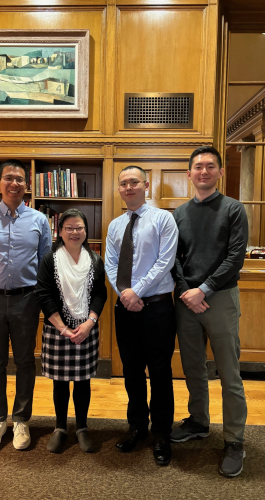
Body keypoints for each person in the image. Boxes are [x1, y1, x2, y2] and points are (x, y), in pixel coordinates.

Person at [171, 145, 248, 478]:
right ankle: (199, 422)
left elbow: (235, 258)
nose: (204, 171)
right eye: (198, 167)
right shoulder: (178, 214)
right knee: (193, 369)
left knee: (229, 375)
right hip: (187, 301)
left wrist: (204, 289)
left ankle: (234, 440)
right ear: (188, 174)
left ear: (219, 172)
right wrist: (188, 291)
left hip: (220, 298)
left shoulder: (234, 210)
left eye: (210, 166)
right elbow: (172, 259)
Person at [0, 159, 52, 452]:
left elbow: (45, 260)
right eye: (9, 178)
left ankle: (21, 419)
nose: (14, 183)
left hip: (27, 300)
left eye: (19, 179)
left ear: (26, 185)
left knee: (25, 361)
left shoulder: (39, 220)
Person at [105, 166, 178, 466]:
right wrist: (124, 293)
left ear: (146, 185)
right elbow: (110, 264)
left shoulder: (163, 219)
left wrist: (138, 291)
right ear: (119, 189)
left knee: (160, 372)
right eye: (123, 183)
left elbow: (166, 260)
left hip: (158, 307)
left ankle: (162, 433)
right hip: (125, 309)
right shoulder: (114, 225)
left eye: (134, 182)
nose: (129, 187)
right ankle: (137, 426)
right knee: (132, 371)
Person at [36, 208, 107, 453]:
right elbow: (43, 294)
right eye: (69, 228)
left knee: (83, 381)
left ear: (86, 231)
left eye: (79, 228)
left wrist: (89, 323)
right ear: (60, 232)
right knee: (60, 383)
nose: (74, 232)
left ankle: (82, 427)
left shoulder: (95, 260)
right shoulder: (50, 259)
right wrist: (63, 328)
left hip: (87, 329)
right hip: (58, 329)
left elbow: (100, 293)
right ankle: (60, 428)